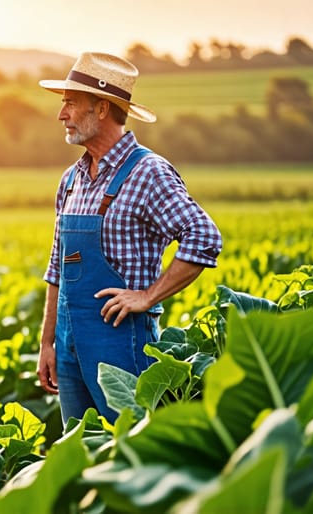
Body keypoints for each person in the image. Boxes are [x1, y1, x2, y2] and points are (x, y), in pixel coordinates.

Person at [35, 52, 223, 425]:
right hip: (70, 345)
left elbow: (203, 237)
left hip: (121, 343)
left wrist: (148, 296)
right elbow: (57, 267)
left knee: (128, 453)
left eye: (71, 103)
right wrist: (47, 342)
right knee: (81, 449)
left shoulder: (147, 172)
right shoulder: (71, 180)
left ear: (101, 108)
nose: (62, 114)